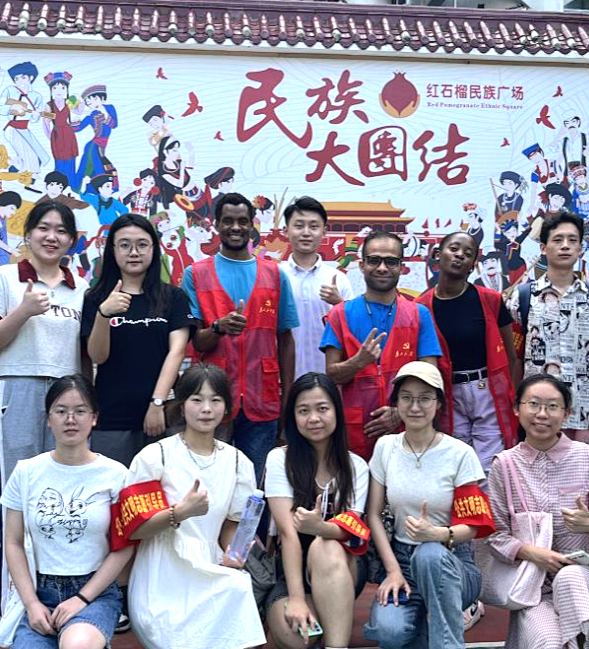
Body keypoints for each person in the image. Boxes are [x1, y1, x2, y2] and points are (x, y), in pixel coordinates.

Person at [119, 364, 265, 649]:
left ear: (226, 407)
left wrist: (235, 554)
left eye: (215, 400)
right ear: (181, 404)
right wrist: (179, 513)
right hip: (161, 572)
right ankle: (160, 648)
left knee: (238, 585)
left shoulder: (239, 462)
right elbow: (133, 530)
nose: (206, 409)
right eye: (197, 399)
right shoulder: (155, 456)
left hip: (210, 569)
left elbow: (232, 526)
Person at [485, 374, 589, 649]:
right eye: (533, 404)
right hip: (533, 586)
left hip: (588, 576)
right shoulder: (503, 466)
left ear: (566, 414)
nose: (542, 414)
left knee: (571, 577)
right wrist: (533, 553)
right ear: (517, 409)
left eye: (552, 406)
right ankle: (542, 647)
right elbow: (495, 537)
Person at [0, 201, 86, 609]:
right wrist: (23, 311)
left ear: (71, 240)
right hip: (15, 389)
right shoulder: (4, 278)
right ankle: (14, 603)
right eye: (43, 228)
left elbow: (87, 353)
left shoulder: (81, 287)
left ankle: (59, 599)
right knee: (17, 500)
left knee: (61, 501)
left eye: (61, 230)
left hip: (67, 396)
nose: (51, 236)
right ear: (28, 234)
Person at [362, 362, 495, 649]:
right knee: (391, 636)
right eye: (406, 397)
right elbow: (373, 515)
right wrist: (393, 570)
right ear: (396, 403)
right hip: (403, 563)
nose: (415, 406)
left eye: (424, 398)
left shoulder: (459, 453)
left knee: (430, 555)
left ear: (439, 404)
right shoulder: (386, 448)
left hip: (452, 560)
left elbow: (475, 525)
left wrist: (437, 534)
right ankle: (437, 624)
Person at [2, 375, 133, 649]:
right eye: (61, 411)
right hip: (42, 593)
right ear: (48, 419)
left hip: (94, 592)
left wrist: (81, 598)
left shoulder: (116, 474)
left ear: (94, 418)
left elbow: (124, 546)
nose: (70, 419)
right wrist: (32, 604)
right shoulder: (26, 472)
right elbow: (13, 543)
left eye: (80, 411)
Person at [264, 373, 370, 649]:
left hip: (341, 564)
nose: (313, 418)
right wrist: (296, 598)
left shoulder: (356, 467)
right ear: (292, 417)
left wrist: (320, 527)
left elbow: (350, 532)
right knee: (294, 640)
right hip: (293, 569)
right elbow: (287, 533)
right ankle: (322, 620)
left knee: (326, 546)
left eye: (322, 408)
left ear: (336, 411)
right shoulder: (279, 459)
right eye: (303, 410)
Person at [182, 193, 299, 483]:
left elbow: (286, 340)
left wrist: (287, 398)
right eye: (228, 221)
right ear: (216, 225)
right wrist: (218, 327)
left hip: (263, 398)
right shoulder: (195, 274)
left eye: (242, 221)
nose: (235, 227)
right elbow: (196, 342)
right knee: (207, 483)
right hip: (212, 399)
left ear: (252, 225)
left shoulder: (275, 275)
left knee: (254, 485)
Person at [82, 213, 195, 466]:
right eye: (124, 245)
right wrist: (103, 314)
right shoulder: (96, 297)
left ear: (154, 248)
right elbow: (98, 356)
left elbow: (176, 352)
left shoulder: (172, 297)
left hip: (163, 415)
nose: (134, 252)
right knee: (114, 487)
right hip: (112, 416)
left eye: (142, 244)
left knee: (162, 488)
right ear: (112, 250)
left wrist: (157, 403)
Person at [322, 231, 441, 461]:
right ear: (362, 265)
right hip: (354, 431)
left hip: (408, 429)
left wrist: (399, 413)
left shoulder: (419, 314)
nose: (382, 268)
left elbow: (431, 376)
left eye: (391, 261)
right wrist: (359, 361)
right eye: (374, 260)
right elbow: (331, 374)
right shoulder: (340, 314)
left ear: (401, 267)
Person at [508, 212, 589, 447]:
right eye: (557, 240)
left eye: (572, 240)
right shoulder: (523, 297)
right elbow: (515, 357)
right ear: (543, 248)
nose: (565, 246)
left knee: (581, 467)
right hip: (538, 413)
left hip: (584, 412)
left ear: (581, 248)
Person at [416, 232, 519, 471]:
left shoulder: (490, 300)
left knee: (490, 466)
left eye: (468, 253)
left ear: (473, 265)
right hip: (448, 395)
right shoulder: (421, 308)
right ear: (437, 254)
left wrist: (513, 397)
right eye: (454, 249)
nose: (460, 255)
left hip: (487, 393)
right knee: (456, 464)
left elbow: (511, 357)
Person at [279, 197, 355, 379]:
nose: (306, 233)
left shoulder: (338, 279)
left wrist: (339, 303)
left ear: (324, 232)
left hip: (327, 377)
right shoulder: (275, 275)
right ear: (286, 231)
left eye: (314, 226)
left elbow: (354, 331)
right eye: (299, 226)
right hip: (282, 377)